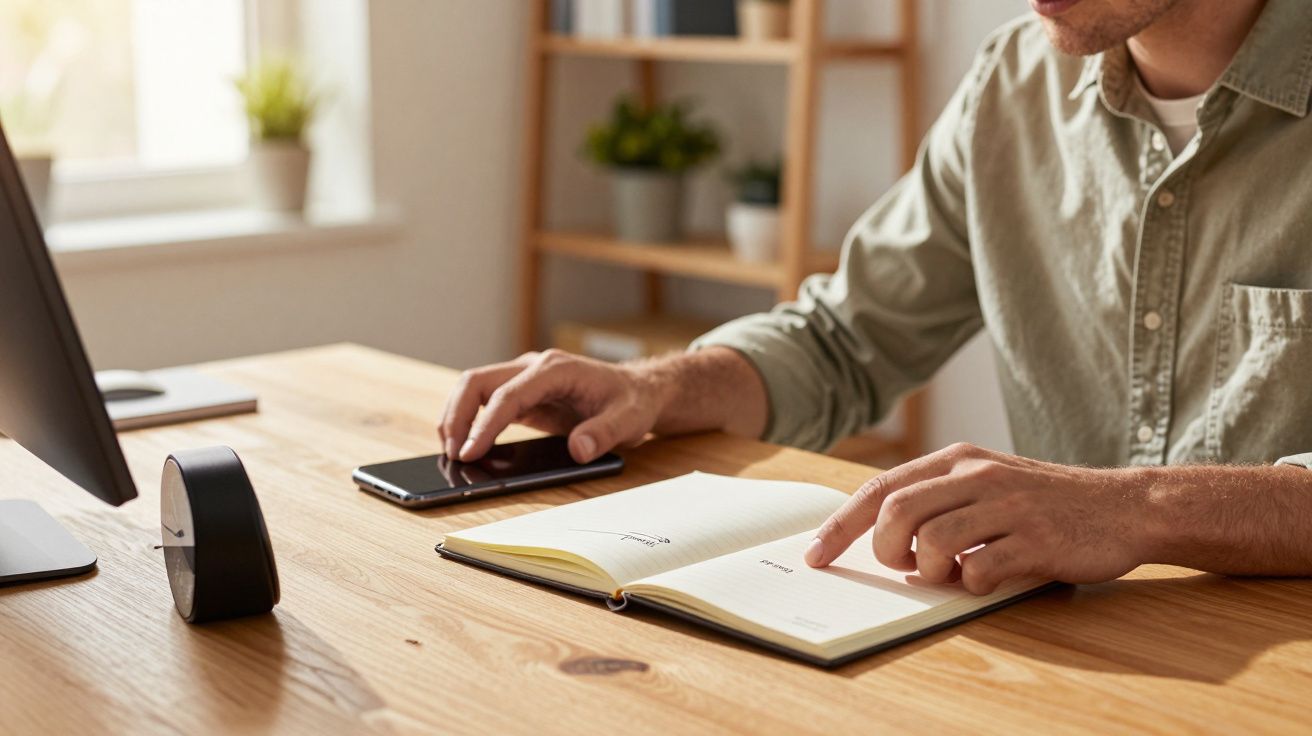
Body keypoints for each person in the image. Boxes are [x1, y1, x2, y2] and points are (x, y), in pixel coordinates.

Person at [439, 0, 1312, 595]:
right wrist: (659, 388)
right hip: (1070, 660)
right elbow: (843, 338)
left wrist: (1135, 510)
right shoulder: (1014, 83)